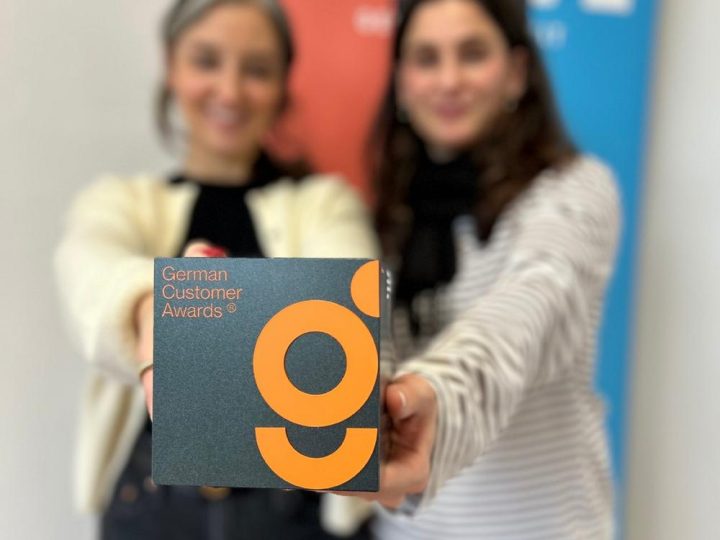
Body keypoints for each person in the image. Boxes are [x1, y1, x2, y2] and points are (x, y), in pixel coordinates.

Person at [55, 1, 376, 538]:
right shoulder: (117, 203)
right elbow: (88, 277)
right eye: (207, 61)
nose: (229, 92)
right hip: (150, 506)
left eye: (256, 70)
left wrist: (191, 322)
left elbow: (348, 323)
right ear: (172, 67)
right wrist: (150, 312)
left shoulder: (325, 204)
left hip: (298, 509)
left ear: (283, 84)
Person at [363, 0, 620, 538]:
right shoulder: (387, 215)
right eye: (427, 59)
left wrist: (440, 394)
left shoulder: (572, 191)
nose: (449, 80)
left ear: (517, 71)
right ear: (402, 82)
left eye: (473, 54)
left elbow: (529, 308)